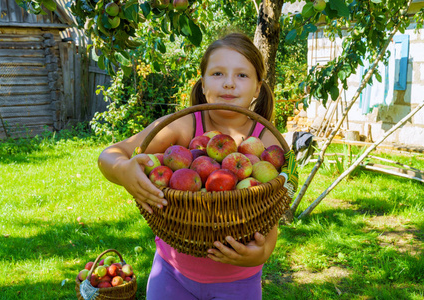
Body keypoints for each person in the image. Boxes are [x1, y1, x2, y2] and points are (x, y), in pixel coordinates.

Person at [98, 32, 289, 300]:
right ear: (202, 83)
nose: (230, 83)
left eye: (242, 75)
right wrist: (122, 170)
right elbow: (111, 153)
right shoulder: (185, 125)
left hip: (238, 279)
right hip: (171, 273)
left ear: (258, 87)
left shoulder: (266, 142)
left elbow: (272, 204)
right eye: (218, 73)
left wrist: (264, 251)